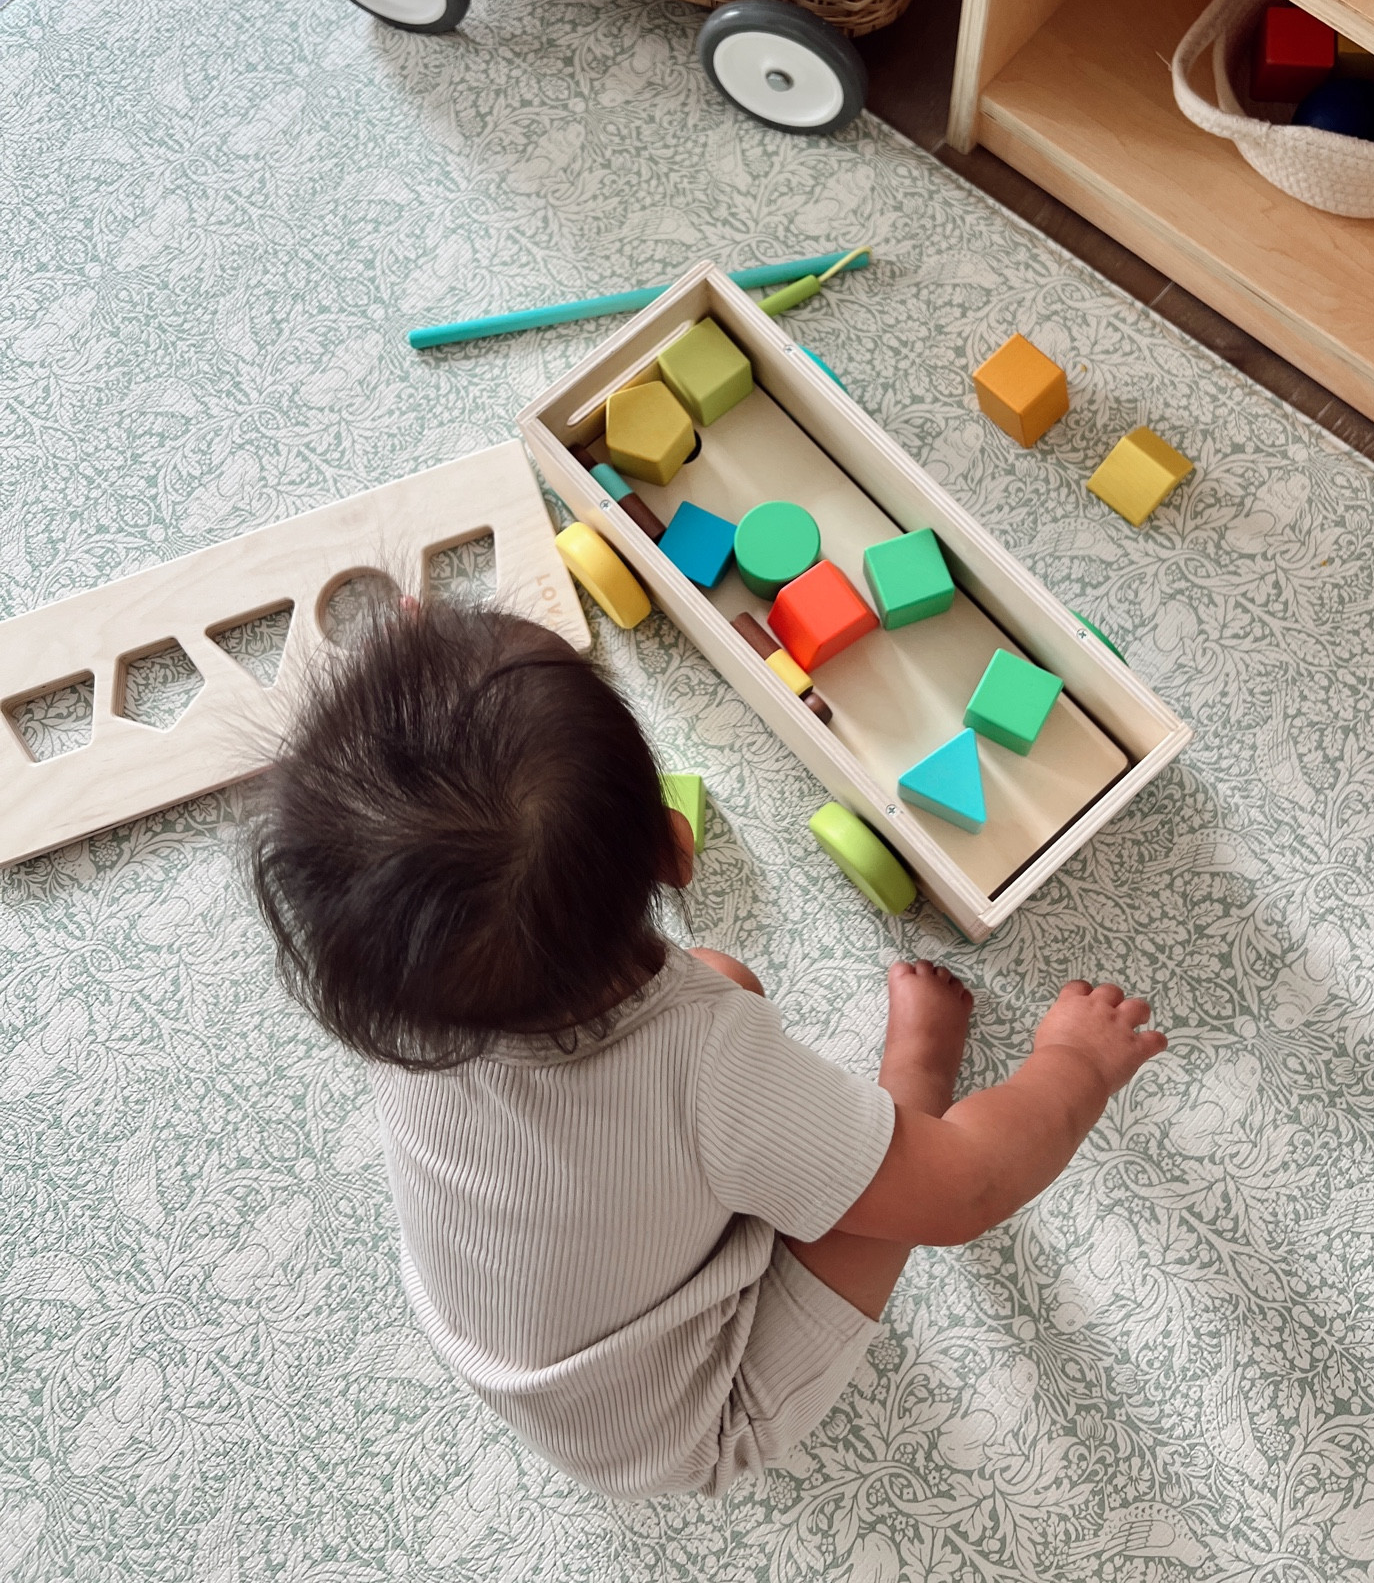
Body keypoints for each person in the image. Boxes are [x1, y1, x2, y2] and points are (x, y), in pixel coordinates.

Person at [249, 600, 1166, 1498]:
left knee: (721, 978)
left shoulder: (405, 993)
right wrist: (1076, 1063)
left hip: (512, 1341)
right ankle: (912, 1077)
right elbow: (968, 1190)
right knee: (874, 1180)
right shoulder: (708, 1067)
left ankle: (805, 1158)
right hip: (689, 1422)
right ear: (674, 846)